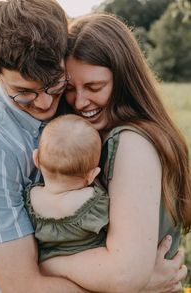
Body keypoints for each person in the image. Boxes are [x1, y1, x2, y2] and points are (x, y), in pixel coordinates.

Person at [0, 0, 187, 291]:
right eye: (24, 93)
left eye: (55, 85)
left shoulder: (105, 128)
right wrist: (135, 285)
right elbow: (23, 285)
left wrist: (127, 278)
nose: (44, 103)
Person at [39, 13, 191, 293]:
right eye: (70, 89)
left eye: (94, 87)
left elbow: (123, 274)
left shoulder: (132, 143)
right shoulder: (95, 137)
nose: (81, 102)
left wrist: (46, 263)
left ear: (124, 79)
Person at [25, 114, 109, 263]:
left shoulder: (30, 197)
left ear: (36, 159)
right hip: (95, 270)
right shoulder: (94, 200)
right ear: (92, 175)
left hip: (50, 275)